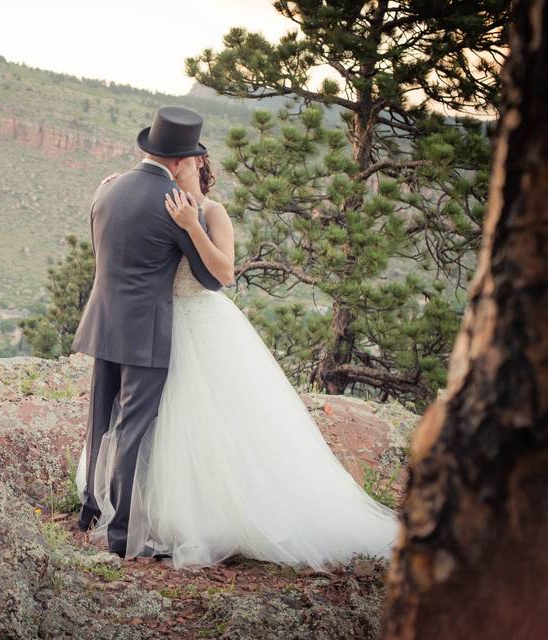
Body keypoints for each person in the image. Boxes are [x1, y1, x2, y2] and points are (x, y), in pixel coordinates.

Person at [74, 148, 401, 572]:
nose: (179, 165)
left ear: (199, 166)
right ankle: (133, 510)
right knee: (151, 424)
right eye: (176, 159)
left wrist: (192, 226)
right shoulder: (155, 200)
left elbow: (222, 274)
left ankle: (186, 514)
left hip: (194, 324)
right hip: (150, 325)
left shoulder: (211, 212)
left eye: (187, 160)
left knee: (197, 425)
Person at [71, 105, 223, 558]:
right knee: (134, 430)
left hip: (103, 321)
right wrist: (192, 225)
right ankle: (121, 534)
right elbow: (211, 280)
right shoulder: (177, 207)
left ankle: (90, 509)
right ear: (179, 161)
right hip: (146, 333)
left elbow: (103, 249)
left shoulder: (107, 189)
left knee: (101, 422)